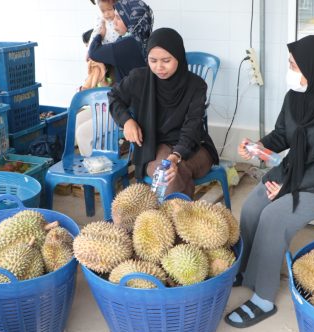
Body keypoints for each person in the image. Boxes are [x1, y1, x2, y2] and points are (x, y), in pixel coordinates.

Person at [225, 35, 314, 328]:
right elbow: (282, 135)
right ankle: (245, 271)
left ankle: (263, 296)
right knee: (253, 206)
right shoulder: (296, 97)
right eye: (290, 63)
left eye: (294, 65)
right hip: (294, 170)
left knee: (275, 217)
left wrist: (290, 184)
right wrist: (258, 145)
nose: (290, 70)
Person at [108, 28, 219, 197]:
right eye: (153, 60)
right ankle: (183, 219)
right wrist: (127, 121)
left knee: (172, 172)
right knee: (168, 175)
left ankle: (170, 219)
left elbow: (193, 125)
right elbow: (114, 97)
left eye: (166, 60)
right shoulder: (139, 78)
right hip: (155, 145)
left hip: (194, 144)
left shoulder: (196, 85)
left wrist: (175, 157)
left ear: (179, 58)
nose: (159, 67)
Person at [76, 0, 153, 158]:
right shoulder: (142, 39)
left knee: (83, 133)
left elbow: (94, 52)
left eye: (118, 18)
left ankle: (97, 173)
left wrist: (99, 34)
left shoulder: (127, 45)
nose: (112, 21)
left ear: (130, 21)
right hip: (123, 101)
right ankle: (103, 161)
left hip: (128, 110)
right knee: (78, 120)